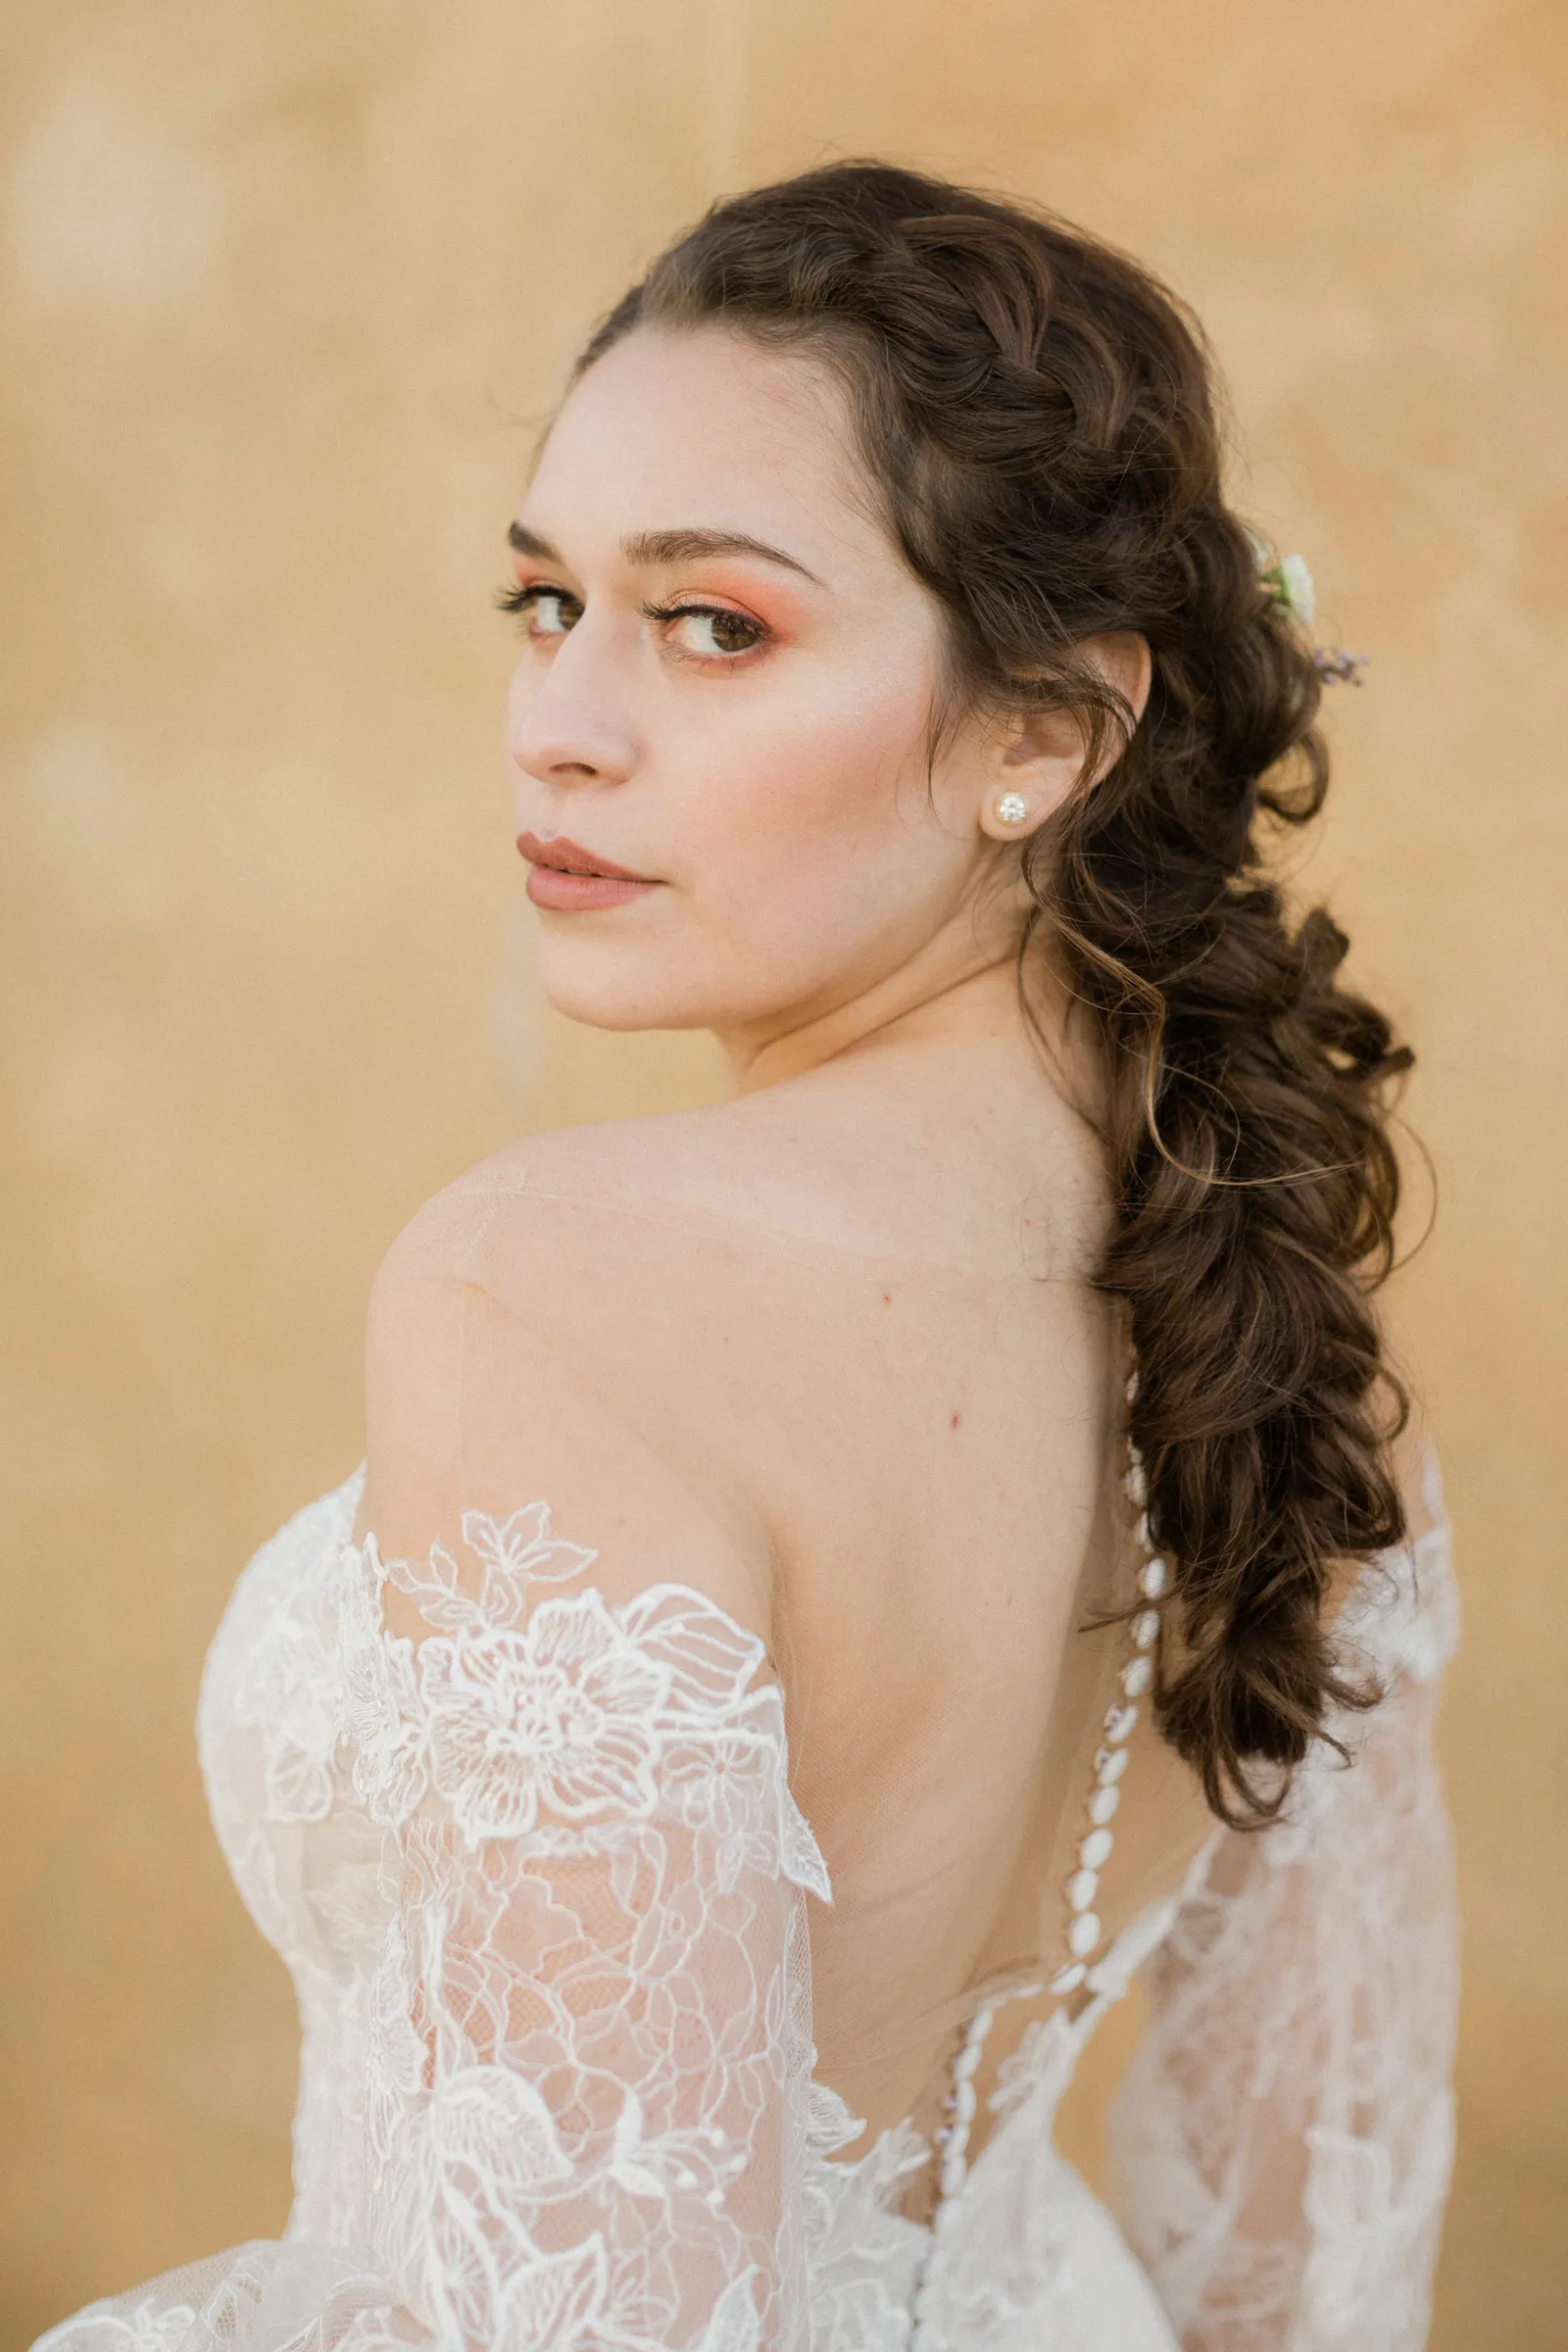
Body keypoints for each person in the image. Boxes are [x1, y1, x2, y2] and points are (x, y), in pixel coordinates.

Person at [36, 163, 1457, 2352]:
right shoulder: (1290, 1344)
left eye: (716, 626)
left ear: (1043, 732)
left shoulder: (553, 1288)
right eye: (545, 603)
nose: (558, 722)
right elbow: (1301, 2260)